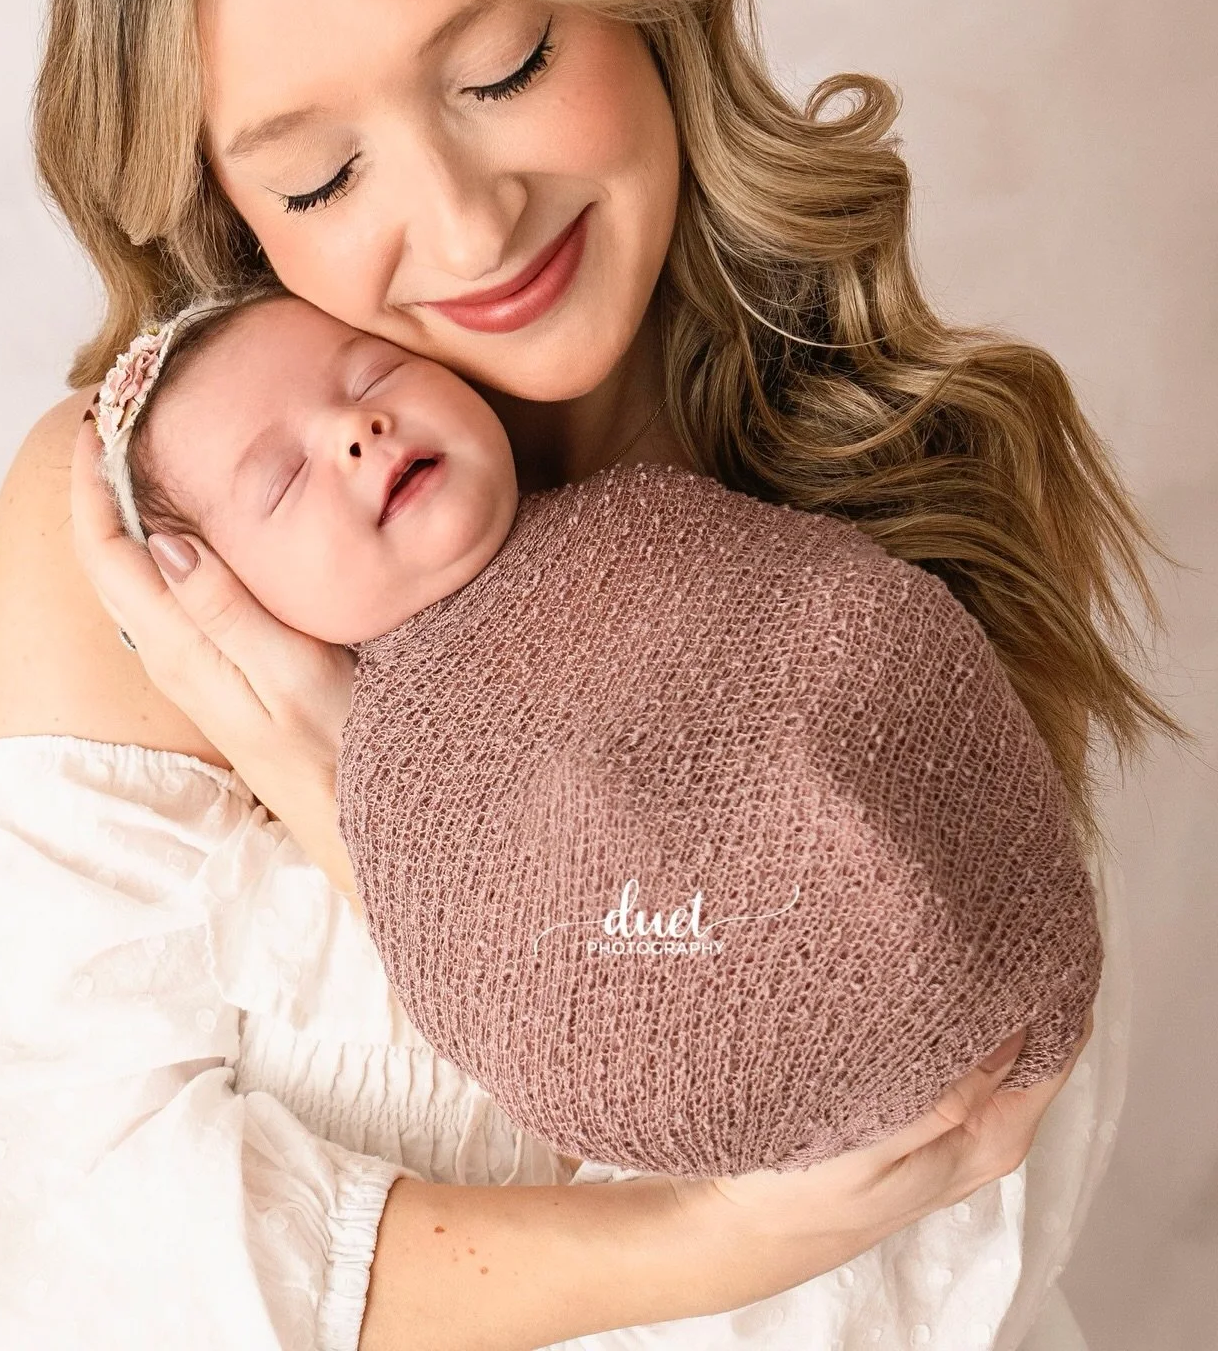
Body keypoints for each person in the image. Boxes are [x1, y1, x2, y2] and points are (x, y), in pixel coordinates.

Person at [0, 0, 1184, 1351]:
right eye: (324, 174)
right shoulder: (159, 548)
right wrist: (703, 1244)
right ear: (227, 212)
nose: (469, 226)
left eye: (500, 74)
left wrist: (360, 812)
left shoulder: (912, 474)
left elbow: (942, 1239)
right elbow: (40, 1255)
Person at [91, 278, 1103, 1185]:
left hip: (932, 831)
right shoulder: (402, 773)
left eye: (376, 373)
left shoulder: (650, 513)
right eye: (284, 480)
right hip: (716, 997)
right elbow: (510, 987)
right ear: (232, 597)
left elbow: (847, 615)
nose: (357, 430)